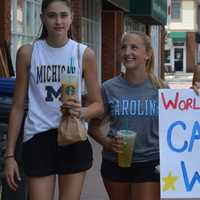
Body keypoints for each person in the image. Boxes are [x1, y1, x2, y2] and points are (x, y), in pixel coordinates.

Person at [4, 0, 104, 200]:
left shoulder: (83, 54)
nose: (58, 21)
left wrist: (81, 112)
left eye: (63, 15)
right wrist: (10, 155)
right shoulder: (28, 53)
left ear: (71, 17)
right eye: (51, 15)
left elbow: (98, 106)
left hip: (72, 135)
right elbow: (17, 107)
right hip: (38, 136)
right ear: (42, 18)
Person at [88, 31, 166, 200]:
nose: (127, 52)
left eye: (134, 47)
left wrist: (194, 96)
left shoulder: (161, 88)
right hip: (115, 163)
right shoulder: (109, 88)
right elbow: (92, 127)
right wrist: (108, 143)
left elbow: (183, 119)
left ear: (147, 54)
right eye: (123, 47)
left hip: (150, 162)